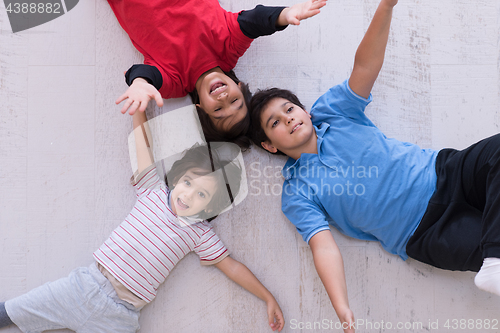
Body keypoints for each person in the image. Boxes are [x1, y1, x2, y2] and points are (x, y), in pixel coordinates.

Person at [249, 0, 500, 331]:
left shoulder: (333, 113)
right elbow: (323, 247)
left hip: (448, 172)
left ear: (305, 111)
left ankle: (495, 258)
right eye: (275, 122)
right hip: (424, 232)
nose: (288, 118)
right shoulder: (297, 192)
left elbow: (365, 66)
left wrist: (386, 6)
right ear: (270, 144)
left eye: (290, 109)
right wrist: (341, 306)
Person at [0, 110, 285, 332]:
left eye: (202, 195)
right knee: (14, 310)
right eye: (187, 182)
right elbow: (142, 147)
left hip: (121, 314)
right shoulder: (153, 190)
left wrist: (267, 296)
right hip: (84, 286)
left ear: (212, 207)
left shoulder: (200, 233)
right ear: (177, 176)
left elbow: (232, 267)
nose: (187, 195)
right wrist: (139, 108)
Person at [108, 0, 327, 147]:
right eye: (235, 100)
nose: (223, 98)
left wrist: (139, 82)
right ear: (239, 86)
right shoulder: (228, 49)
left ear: (200, 108)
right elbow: (253, 21)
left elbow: (147, 74)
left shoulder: (176, 82)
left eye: (218, 109)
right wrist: (285, 14)